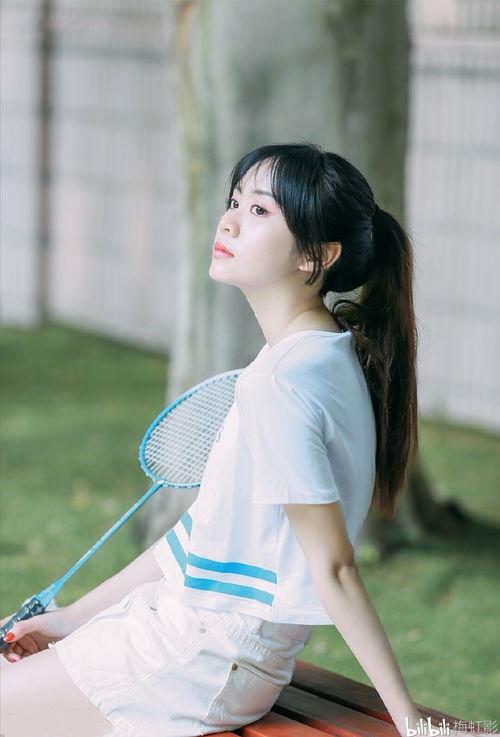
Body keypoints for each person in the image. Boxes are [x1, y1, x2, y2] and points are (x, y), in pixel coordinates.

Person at [0, 142, 476, 737]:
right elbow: (197, 535)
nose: (228, 222)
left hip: (196, 660)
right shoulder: (319, 354)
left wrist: (412, 722)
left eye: (259, 211)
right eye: (234, 202)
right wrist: (71, 618)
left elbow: (334, 568)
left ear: (316, 255)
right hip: (189, 638)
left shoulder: (281, 384)